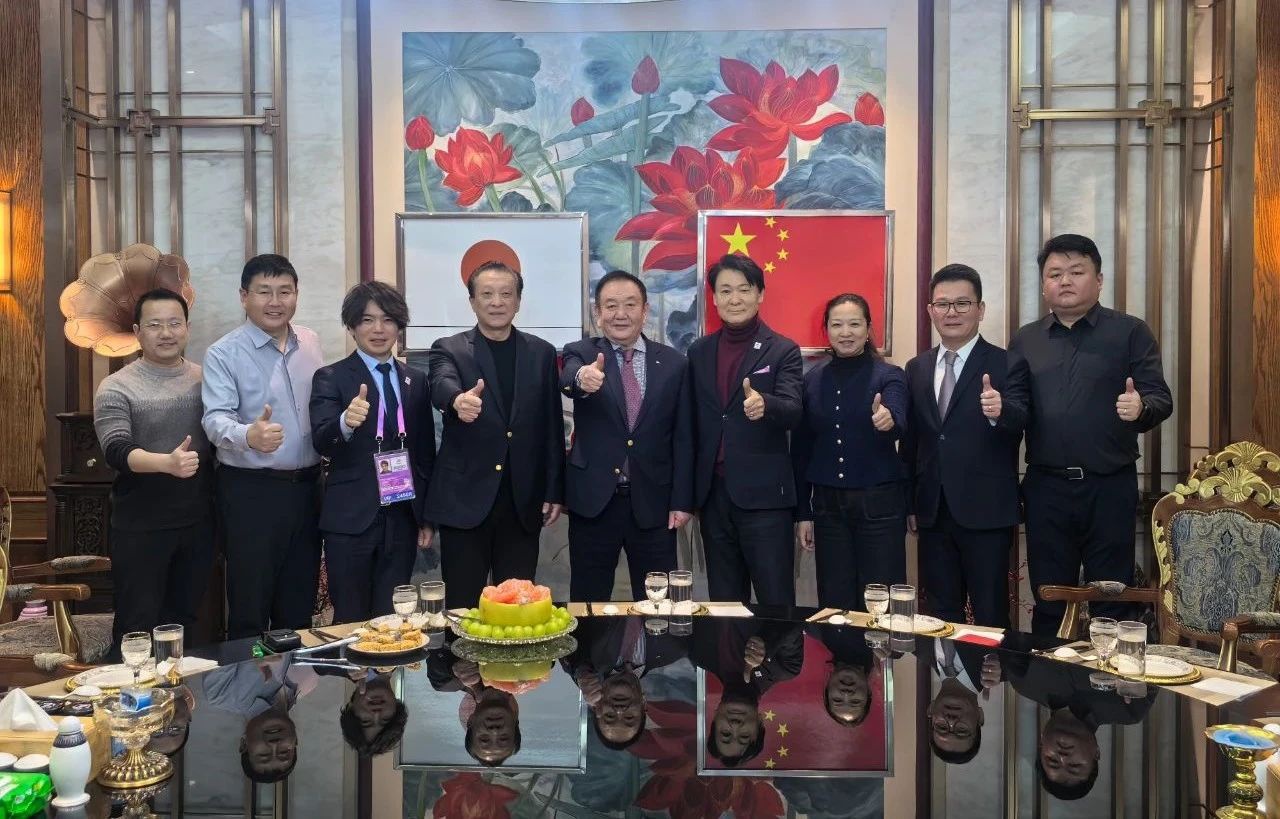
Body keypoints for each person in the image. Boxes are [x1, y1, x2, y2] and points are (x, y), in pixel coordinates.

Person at [1004, 234, 1173, 635]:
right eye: (1054, 274)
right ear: (1043, 285)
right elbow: (1017, 409)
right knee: (1049, 598)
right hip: (1046, 488)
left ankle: (1107, 674)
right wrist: (998, 410)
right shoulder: (1026, 339)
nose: (1065, 280)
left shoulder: (1130, 332)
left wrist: (1141, 409)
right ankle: (1051, 674)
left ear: (1098, 280)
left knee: (1111, 599)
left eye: (1076, 271)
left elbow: (1160, 398)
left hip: (1108, 486)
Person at [425, 261, 566, 609]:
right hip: (465, 501)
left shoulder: (542, 352)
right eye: (487, 294)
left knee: (517, 605)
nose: (497, 302)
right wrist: (456, 400)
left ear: (518, 301)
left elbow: (551, 427)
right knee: (463, 607)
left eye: (506, 294)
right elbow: (441, 382)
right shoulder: (449, 348)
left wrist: (554, 490)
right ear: (472, 301)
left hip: (522, 502)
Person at [202, 254, 324, 639]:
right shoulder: (223, 353)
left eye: (284, 292)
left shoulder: (310, 341)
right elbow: (214, 419)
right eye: (264, 292)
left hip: (308, 489)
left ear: (296, 294)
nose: (275, 302)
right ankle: (250, 677)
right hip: (252, 493)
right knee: (250, 606)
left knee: (299, 605)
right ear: (244, 296)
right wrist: (247, 436)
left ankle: (295, 677)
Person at [559, 270, 694, 602]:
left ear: (645, 310)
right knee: (588, 602)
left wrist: (682, 500)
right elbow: (570, 377)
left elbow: (684, 437)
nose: (620, 314)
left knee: (659, 604)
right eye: (611, 305)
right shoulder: (581, 352)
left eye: (630, 304)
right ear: (598, 312)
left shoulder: (674, 363)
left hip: (654, 505)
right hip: (594, 504)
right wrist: (582, 379)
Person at [901, 264, 1024, 629]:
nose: (951, 312)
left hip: (986, 511)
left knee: (990, 615)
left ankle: (991, 670)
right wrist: (910, 503)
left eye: (962, 303)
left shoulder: (1007, 363)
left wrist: (1001, 411)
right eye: (942, 304)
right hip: (934, 511)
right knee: (940, 615)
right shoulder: (917, 367)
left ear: (980, 309)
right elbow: (912, 442)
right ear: (930, 311)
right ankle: (946, 668)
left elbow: (1025, 419)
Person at [93, 288, 215, 653]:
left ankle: (179, 689)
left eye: (175, 323)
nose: (166, 333)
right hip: (140, 526)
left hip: (198, 522)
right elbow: (116, 449)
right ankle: (128, 689)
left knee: (186, 620)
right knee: (137, 624)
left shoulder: (207, 379)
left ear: (187, 328)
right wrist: (166, 463)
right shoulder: (116, 386)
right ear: (137, 331)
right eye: (155, 325)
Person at [310, 282, 436, 623]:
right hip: (351, 519)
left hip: (402, 516)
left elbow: (424, 453)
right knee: (350, 619)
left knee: (393, 619)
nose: (378, 329)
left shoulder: (416, 380)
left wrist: (425, 516)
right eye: (367, 320)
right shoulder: (331, 377)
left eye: (388, 319)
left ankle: (388, 663)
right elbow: (321, 440)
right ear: (352, 327)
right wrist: (345, 423)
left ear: (399, 326)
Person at [687, 254, 803, 606]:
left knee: (775, 601)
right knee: (725, 603)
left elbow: (794, 409)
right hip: (714, 497)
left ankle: (779, 648)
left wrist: (767, 405)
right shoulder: (699, 351)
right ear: (714, 298)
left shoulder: (782, 349)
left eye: (744, 289)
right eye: (725, 291)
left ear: (760, 294)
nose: (734, 299)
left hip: (765, 498)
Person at [792, 293, 909, 608]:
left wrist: (888, 420)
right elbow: (801, 450)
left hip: (879, 506)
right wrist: (804, 513)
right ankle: (841, 644)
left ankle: (879, 645)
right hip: (828, 508)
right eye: (837, 325)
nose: (846, 333)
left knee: (880, 599)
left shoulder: (890, 375)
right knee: (835, 600)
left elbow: (899, 416)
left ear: (868, 328)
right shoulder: (812, 380)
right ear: (827, 330)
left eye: (855, 324)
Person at [562, 615, 688, 749]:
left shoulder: (586, 660)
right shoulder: (675, 648)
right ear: (644, 704)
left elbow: (563, 632)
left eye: (609, 716)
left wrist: (581, 672)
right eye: (629, 718)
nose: (619, 710)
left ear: (596, 707)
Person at [691, 619, 804, 767]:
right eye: (744, 736)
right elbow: (794, 623)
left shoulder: (700, 655)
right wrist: (765, 645)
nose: (735, 725)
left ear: (715, 719)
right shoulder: (787, 667)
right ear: (760, 724)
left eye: (725, 734)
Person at [925, 639, 998, 765]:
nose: (951, 720)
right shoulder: (1005, 663)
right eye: (961, 730)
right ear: (980, 716)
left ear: (930, 709)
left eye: (942, 727)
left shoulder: (913, 645)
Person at [338, 670, 408, 757]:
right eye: (385, 719)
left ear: (350, 708)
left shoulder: (333, 665)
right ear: (396, 709)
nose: (376, 713)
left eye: (366, 721)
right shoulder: (412, 662)